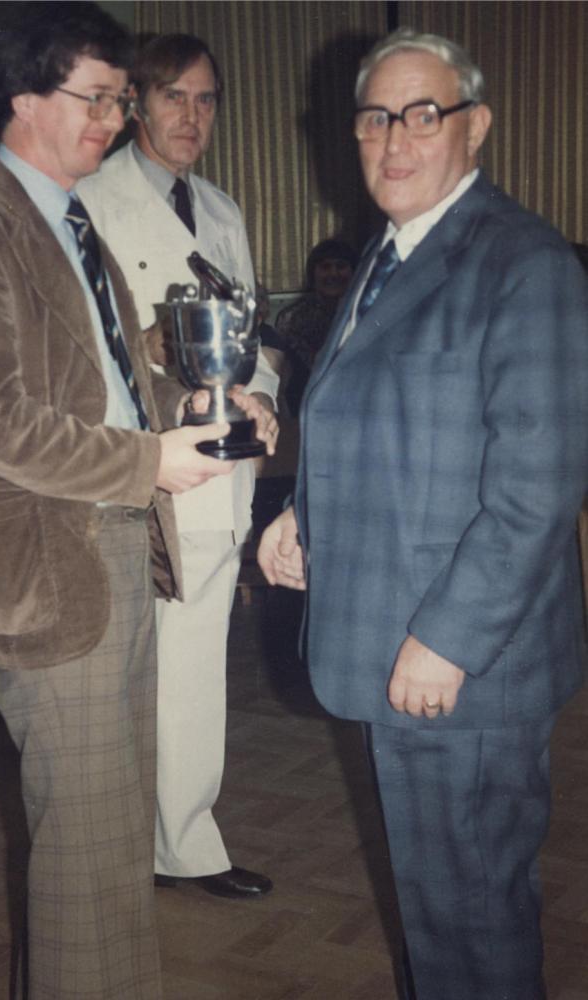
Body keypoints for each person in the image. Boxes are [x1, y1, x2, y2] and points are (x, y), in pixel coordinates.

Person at [0, 5, 251, 997]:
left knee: (110, 843)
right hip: (50, 570)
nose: (114, 119)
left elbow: (98, 370)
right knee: (81, 852)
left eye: (117, 99)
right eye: (95, 98)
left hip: (118, 549)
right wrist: (146, 462)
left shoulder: (69, 219)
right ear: (21, 99)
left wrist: (195, 394)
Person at [259, 27, 588, 1000]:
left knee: (472, 906)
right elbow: (376, 419)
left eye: (422, 113)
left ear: (473, 125)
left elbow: (537, 485)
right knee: (438, 899)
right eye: (374, 117)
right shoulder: (389, 254)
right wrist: (302, 519)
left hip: (464, 664)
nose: (393, 138)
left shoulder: (523, 266)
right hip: (400, 638)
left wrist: (445, 639)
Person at [77, 33, 277, 899]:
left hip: (219, 470)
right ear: (134, 105)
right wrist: (156, 358)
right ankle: (121, 847)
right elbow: (79, 352)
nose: (191, 117)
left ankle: (184, 844)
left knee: (195, 671)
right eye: (172, 98)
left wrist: (263, 392)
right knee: (121, 677)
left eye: (206, 100)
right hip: (136, 473)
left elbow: (249, 334)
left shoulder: (223, 212)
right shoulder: (89, 201)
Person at [275, 237, 358, 414]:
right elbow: (283, 375)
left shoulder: (364, 314)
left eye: (341, 266)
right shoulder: (291, 317)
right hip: (305, 407)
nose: (333, 274)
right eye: (325, 267)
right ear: (313, 274)